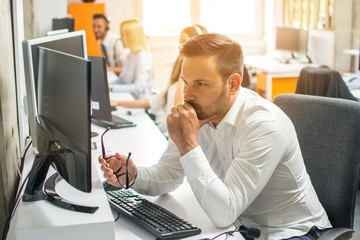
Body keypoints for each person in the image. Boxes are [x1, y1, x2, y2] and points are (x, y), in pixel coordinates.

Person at [99, 33, 332, 240]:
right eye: (185, 82)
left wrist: (188, 143)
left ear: (233, 84)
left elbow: (224, 212)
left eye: (201, 84)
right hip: (239, 226)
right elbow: (169, 173)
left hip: (291, 232)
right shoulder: (202, 112)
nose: (187, 95)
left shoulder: (264, 127)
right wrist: (135, 175)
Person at [110, 24, 208, 135]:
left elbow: (179, 109)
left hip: (172, 137)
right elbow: (156, 100)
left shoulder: (199, 81)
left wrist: (185, 67)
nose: (180, 46)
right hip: (163, 130)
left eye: (185, 41)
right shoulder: (178, 75)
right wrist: (117, 103)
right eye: (180, 42)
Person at [110, 19, 153, 99]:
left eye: (122, 35)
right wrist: (106, 86)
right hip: (128, 97)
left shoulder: (142, 57)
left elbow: (138, 88)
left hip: (140, 103)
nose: (120, 39)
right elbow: (122, 80)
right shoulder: (131, 54)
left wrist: (113, 88)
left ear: (131, 37)